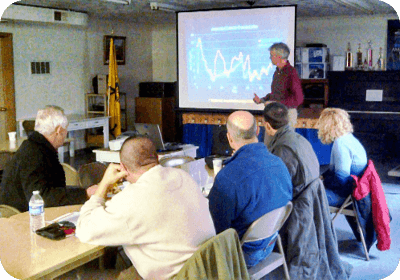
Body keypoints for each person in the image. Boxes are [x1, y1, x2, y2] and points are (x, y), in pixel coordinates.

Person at [76, 136, 216, 280]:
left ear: (123, 168)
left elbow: (84, 230)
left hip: (176, 276)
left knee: (81, 276)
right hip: (204, 270)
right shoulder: (183, 176)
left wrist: (103, 185)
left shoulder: (131, 199)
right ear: (156, 157)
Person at [263, 102, 353, 280]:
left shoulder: (282, 148)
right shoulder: (299, 139)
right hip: (309, 207)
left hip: (296, 213)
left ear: (266, 125)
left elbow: (278, 193)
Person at [208, 110, 292, 268]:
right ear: (258, 131)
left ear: (229, 138)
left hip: (242, 256)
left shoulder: (227, 178)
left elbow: (217, 233)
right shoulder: (279, 163)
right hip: (272, 242)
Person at [0, 105, 95, 212]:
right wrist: (85, 193)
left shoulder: (35, 146)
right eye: (66, 129)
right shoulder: (33, 154)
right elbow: (42, 198)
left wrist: (83, 192)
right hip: (19, 217)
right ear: (59, 130)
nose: (66, 133)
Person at [317, 108, 368, 207]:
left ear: (327, 126)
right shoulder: (348, 138)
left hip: (344, 196)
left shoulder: (341, 144)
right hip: (350, 192)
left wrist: (322, 182)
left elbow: (341, 180)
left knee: (303, 198)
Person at [253, 42, 304, 129]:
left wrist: (277, 103)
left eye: (272, 55)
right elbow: (276, 94)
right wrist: (262, 100)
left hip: (286, 115)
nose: (270, 58)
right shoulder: (277, 72)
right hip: (275, 114)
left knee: (284, 141)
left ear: (279, 56)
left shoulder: (291, 72)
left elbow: (298, 99)